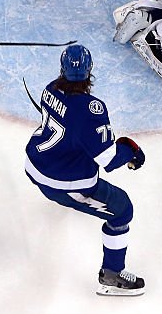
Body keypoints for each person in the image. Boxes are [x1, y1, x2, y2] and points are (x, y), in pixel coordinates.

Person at [25, 45, 147, 296]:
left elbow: (70, 127)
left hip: (34, 164)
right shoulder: (92, 110)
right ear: (89, 71)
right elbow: (108, 160)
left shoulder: (50, 89)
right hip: (63, 183)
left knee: (67, 185)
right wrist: (131, 149)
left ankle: (65, 199)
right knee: (123, 211)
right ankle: (112, 274)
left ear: (62, 69)